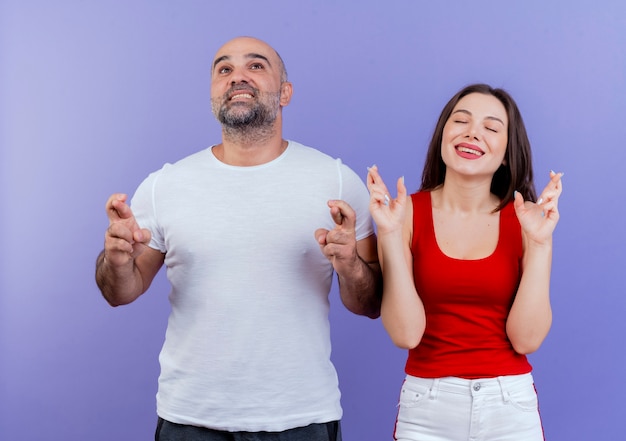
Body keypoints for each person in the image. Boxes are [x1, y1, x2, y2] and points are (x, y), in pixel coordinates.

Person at [95, 36, 382, 441]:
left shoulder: (336, 181)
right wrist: (117, 260)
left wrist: (351, 265)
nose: (237, 77)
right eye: (224, 69)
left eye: (256, 66)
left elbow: (369, 305)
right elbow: (119, 292)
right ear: (213, 91)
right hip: (189, 419)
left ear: (285, 92)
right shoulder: (165, 185)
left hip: (301, 419)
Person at [367, 83, 563, 441]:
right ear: (443, 135)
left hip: (510, 407)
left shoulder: (528, 220)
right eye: (461, 121)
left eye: (491, 127)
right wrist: (391, 235)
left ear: (506, 153)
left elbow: (526, 340)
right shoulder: (402, 214)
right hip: (426, 407)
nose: (472, 132)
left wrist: (540, 243)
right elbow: (405, 334)